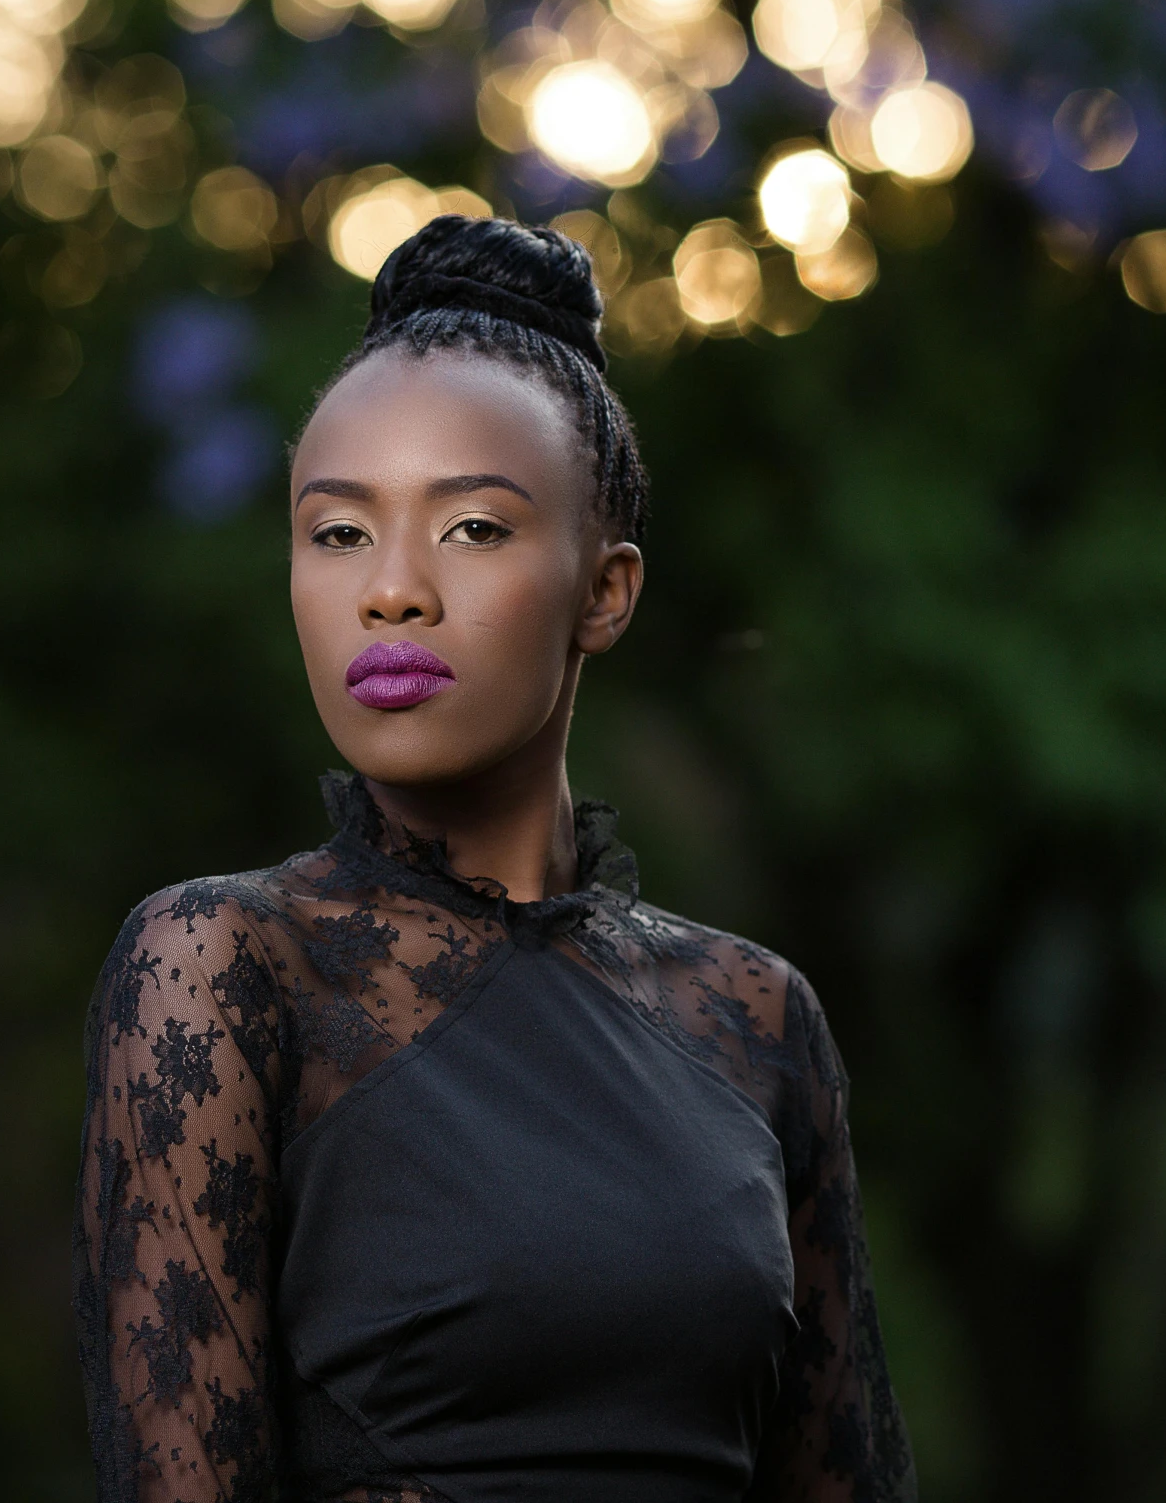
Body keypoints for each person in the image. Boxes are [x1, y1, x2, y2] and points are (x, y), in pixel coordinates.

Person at [72, 215, 915, 1503]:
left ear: (606, 590)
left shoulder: (755, 1018)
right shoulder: (222, 967)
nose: (391, 593)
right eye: (339, 533)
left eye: (471, 529)